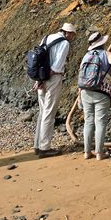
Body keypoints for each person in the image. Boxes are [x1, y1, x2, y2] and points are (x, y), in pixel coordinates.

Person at [33, 22, 77, 158]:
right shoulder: (64, 43)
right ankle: (45, 147)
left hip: (40, 78)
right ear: (68, 33)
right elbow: (56, 66)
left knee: (42, 112)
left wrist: (39, 80)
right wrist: (46, 79)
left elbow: (38, 61)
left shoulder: (46, 38)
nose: (72, 38)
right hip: (52, 79)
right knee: (49, 112)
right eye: (73, 35)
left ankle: (37, 145)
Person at [78, 31, 111, 160]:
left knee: (88, 121)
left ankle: (87, 152)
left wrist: (79, 93)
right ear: (102, 43)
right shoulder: (105, 54)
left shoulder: (86, 56)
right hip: (102, 93)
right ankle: (99, 153)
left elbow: (81, 74)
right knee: (100, 122)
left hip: (85, 91)